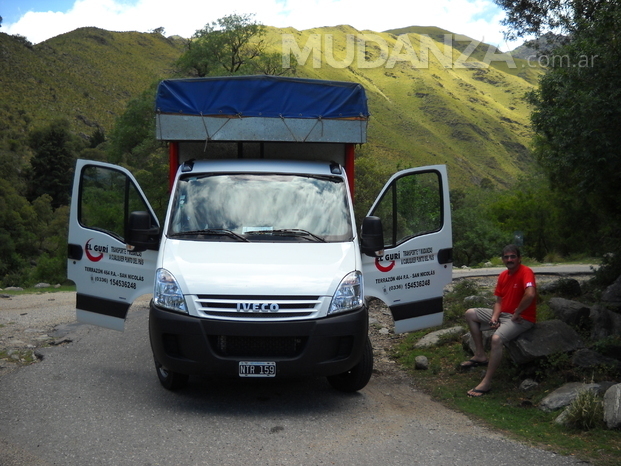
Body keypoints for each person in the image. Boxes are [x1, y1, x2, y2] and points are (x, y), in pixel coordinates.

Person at [461, 244, 537, 397]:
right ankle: (480, 355)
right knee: (470, 313)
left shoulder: (526, 272)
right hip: (503, 315)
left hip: (522, 318)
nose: (510, 259)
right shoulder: (503, 275)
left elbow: (530, 294)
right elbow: (498, 301)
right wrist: (495, 316)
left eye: (513, 256)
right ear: (502, 260)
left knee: (496, 339)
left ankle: (487, 382)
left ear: (519, 258)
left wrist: (517, 312)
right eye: (506, 257)